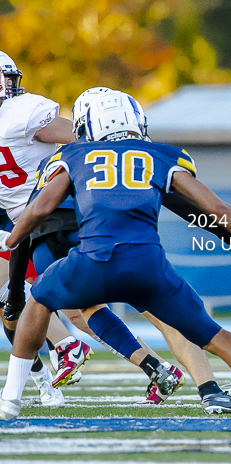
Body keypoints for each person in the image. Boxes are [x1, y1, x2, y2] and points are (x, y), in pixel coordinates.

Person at [0, 90, 231, 420]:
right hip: (148, 267)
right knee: (215, 335)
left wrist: (13, 239)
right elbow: (216, 208)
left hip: (92, 261)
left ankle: (10, 399)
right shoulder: (161, 155)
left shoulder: (74, 155)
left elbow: (40, 207)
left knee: (38, 300)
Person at [0, 50, 93, 404]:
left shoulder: (20, 114)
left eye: (9, 79)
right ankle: (45, 379)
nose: (8, 87)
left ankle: (150, 363)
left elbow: (86, 140)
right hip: (15, 214)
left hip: (47, 215)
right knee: (11, 303)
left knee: (77, 306)